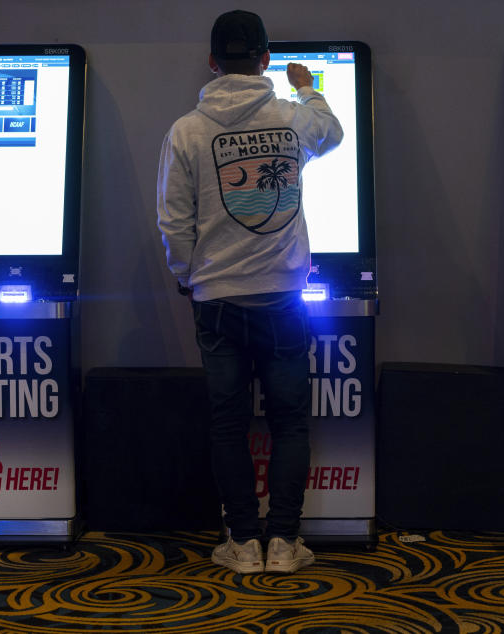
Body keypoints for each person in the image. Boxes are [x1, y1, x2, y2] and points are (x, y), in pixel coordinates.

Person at [156, 10, 343, 574]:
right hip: (284, 296)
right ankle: (284, 543)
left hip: (217, 298)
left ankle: (242, 543)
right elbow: (331, 132)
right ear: (265, 60)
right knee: (288, 422)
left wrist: (188, 276)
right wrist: (308, 85)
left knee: (228, 424)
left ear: (212, 62)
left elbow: (172, 220)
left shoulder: (186, 130)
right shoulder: (291, 117)